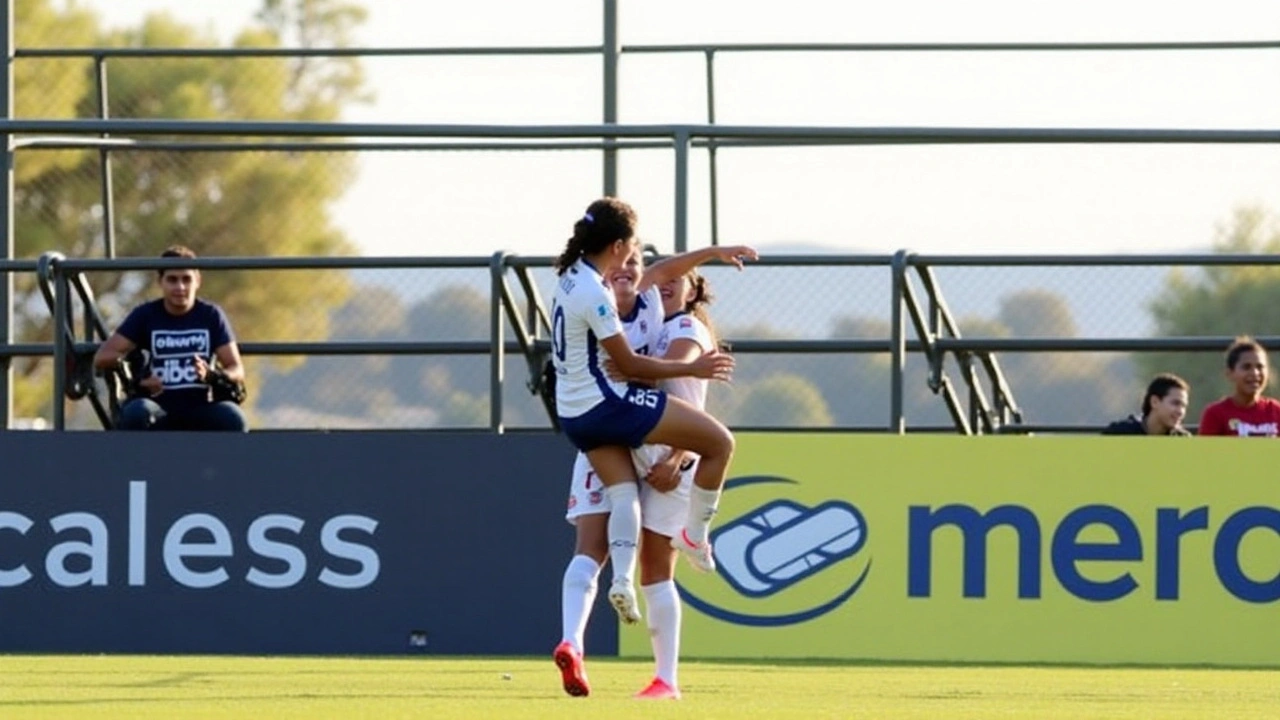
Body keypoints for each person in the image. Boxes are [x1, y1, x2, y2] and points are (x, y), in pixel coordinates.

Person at [549, 196, 752, 695]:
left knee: (613, 519)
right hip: (613, 409)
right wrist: (692, 369)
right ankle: (693, 538)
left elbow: (666, 270)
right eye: (632, 254)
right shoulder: (601, 296)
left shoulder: (586, 281)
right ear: (616, 249)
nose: (643, 273)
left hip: (581, 418)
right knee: (720, 444)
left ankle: (577, 640)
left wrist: (711, 250)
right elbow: (635, 367)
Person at [93, 245, 248, 432]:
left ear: (197, 281)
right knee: (136, 414)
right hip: (158, 407)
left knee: (233, 419)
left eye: (186, 279)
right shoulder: (145, 314)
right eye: (172, 280)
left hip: (200, 406)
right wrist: (138, 379)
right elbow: (102, 356)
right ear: (161, 282)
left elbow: (236, 368)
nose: (180, 287)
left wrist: (213, 375)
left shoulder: (211, 315)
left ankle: (214, 462)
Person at [1198, 336, 1280, 437]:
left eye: (1260, 367)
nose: (1255, 373)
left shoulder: (1276, 411)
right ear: (1230, 373)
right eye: (1246, 367)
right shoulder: (1215, 414)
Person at [1101, 373, 1191, 436]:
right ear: (1154, 402)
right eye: (1175, 403)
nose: (1181, 411)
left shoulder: (1182, 440)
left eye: (1184, 406)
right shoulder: (1119, 433)